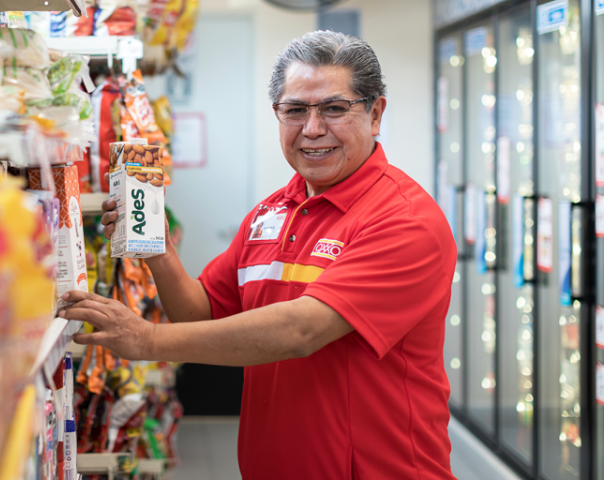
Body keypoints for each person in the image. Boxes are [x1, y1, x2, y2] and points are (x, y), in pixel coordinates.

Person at [60, 31, 457, 480]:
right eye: (295, 110)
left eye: (334, 108)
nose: (312, 129)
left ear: (375, 112)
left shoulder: (405, 220)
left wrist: (147, 340)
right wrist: (157, 249)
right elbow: (198, 313)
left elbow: (301, 330)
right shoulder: (270, 213)